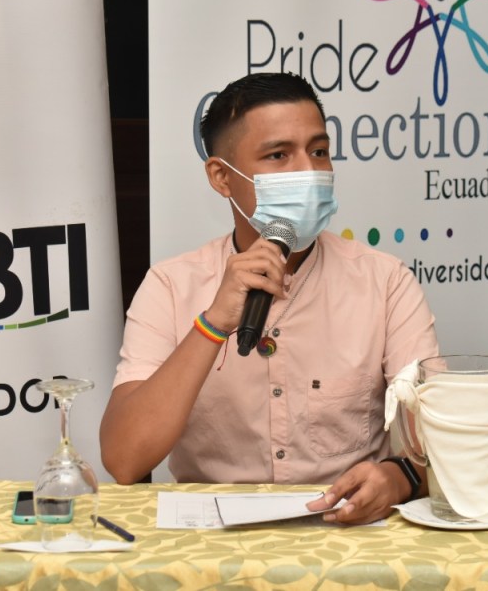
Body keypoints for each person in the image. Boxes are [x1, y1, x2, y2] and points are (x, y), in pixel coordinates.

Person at [100, 72, 439, 524]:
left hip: (345, 531)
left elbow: (441, 443)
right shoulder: (170, 285)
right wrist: (212, 324)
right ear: (222, 177)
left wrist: (399, 478)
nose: (308, 172)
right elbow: (124, 459)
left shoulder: (385, 281)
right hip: (211, 540)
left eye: (318, 151)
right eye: (279, 155)